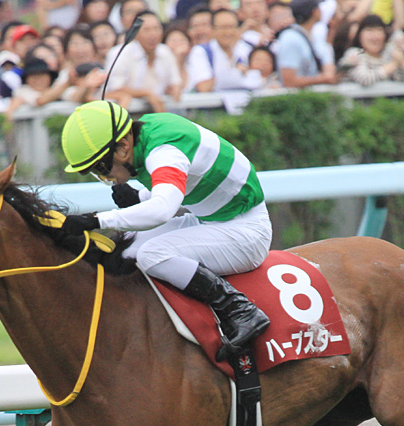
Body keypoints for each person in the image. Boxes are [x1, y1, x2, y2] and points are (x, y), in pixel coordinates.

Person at [59, 100, 272, 358]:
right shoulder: (149, 131)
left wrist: (97, 220)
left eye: (101, 169)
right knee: (126, 246)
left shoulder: (164, 151)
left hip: (245, 234)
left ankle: (240, 310)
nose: (105, 178)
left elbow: (163, 209)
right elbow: (181, 182)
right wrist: (140, 197)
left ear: (124, 147)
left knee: (152, 255)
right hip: (210, 220)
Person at [104, 10, 182, 111]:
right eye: (147, 30)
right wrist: (146, 94)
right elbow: (115, 88)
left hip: (159, 111)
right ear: (135, 33)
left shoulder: (165, 52)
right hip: (125, 112)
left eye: (156, 28)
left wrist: (174, 89)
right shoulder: (120, 53)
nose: (153, 34)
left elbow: (175, 83)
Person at [187, 8, 260, 91]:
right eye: (223, 27)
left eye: (232, 27)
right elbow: (203, 87)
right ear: (213, 29)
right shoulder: (201, 52)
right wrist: (234, 73)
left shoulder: (245, 49)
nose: (228, 32)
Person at [275, 0, 337, 87]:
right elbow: (288, 81)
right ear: (314, 12)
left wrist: (328, 73)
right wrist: (323, 79)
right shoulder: (290, 38)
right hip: (298, 98)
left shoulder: (315, 36)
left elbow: (327, 63)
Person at [338, 13, 404, 84]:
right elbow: (364, 79)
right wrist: (393, 64)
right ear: (359, 35)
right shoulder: (356, 52)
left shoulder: (388, 52)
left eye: (379, 30)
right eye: (369, 30)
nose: (375, 37)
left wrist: (401, 62)